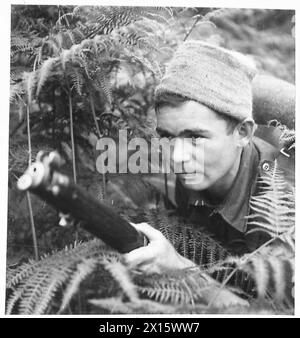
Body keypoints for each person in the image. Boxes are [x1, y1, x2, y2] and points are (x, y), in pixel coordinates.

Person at [123, 40, 294, 275]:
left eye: (195, 137)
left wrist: (180, 269)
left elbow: (269, 310)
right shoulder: (191, 174)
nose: (177, 157)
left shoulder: (284, 207)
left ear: (242, 133)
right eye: (167, 137)